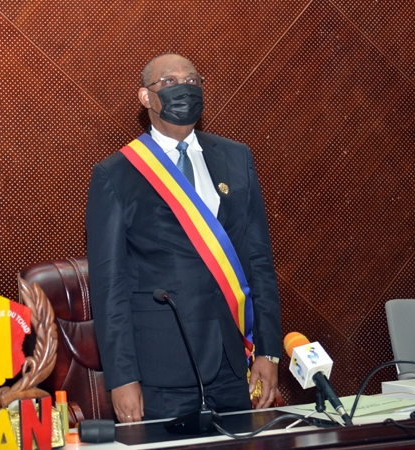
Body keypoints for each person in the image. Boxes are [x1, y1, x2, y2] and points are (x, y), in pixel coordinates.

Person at [86, 54, 281, 423]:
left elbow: (259, 262)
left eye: (193, 80)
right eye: (170, 82)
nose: (185, 88)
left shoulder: (238, 158)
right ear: (146, 98)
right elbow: (109, 285)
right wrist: (122, 376)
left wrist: (268, 353)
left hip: (233, 361)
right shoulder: (116, 173)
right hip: (160, 368)